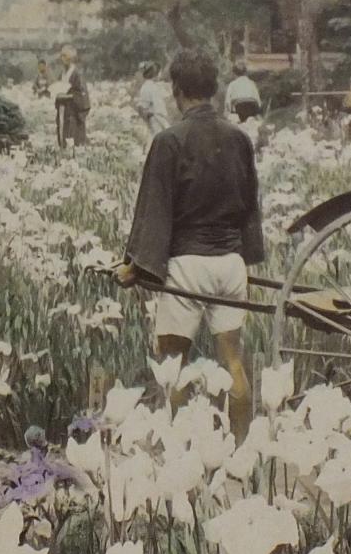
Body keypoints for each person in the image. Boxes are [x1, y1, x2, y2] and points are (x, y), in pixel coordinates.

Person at [117, 49, 264, 441]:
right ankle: (240, 450)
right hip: (231, 264)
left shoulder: (169, 141)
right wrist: (247, 255)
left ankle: (180, 450)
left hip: (188, 266)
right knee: (233, 361)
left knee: (173, 364)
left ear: (177, 90)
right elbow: (251, 204)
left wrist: (135, 266)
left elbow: (155, 210)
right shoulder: (239, 139)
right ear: (214, 89)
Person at [54, 46, 90, 147]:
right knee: (62, 137)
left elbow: (81, 95)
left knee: (73, 142)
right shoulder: (62, 74)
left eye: (65, 55)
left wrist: (66, 97)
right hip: (62, 110)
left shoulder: (77, 74)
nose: (62, 58)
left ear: (72, 57)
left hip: (73, 112)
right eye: (61, 55)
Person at [133, 60, 172, 140]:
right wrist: (150, 115)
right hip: (156, 120)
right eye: (159, 72)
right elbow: (142, 106)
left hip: (160, 119)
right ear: (155, 74)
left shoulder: (152, 86)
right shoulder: (148, 86)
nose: (160, 74)